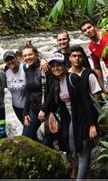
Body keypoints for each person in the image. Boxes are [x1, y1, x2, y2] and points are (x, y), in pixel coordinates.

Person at [39, 52, 99, 180]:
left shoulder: (73, 79)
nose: (56, 68)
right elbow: (50, 96)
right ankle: (85, 175)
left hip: (83, 120)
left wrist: (92, 125)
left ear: (65, 65)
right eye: (53, 66)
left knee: (82, 151)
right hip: (71, 120)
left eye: (59, 65)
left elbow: (87, 103)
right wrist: (43, 110)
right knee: (72, 149)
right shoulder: (56, 82)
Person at [22, 42, 49, 141]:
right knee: (25, 138)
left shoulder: (45, 68)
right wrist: (25, 113)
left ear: (36, 54)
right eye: (25, 56)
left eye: (30, 54)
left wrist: (44, 109)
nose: (27, 57)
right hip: (33, 110)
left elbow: (51, 92)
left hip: (47, 111)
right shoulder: (28, 70)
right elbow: (28, 93)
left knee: (47, 142)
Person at [3, 50, 26, 124]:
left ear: (16, 58)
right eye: (7, 60)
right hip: (16, 107)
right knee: (25, 126)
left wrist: (43, 60)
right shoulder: (6, 72)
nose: (10, 62)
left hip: (28, 107)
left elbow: (36, 65)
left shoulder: (25, 68)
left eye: (12, 59)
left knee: (28, 130)